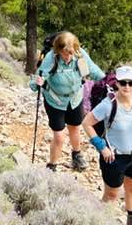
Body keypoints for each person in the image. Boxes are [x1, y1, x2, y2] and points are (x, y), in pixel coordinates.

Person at [81, 64, 132, 225]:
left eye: (131, 83)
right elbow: (87, 123)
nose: (127, 86)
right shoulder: (108, 104)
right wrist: (101, 146)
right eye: (123, 82)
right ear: (117, 83)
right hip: (114, 156)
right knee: (112, 194)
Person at [31, 31, 104, 172]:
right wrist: (37, 83)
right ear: (58, 50)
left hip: (75, 99)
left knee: (75, 127)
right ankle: (52, 165)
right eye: (65, 53)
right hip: (55, 101)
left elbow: (93, 70)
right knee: (59, 136)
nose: (68, 57)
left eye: (71, 53)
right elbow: (38, 78)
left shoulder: (79, 55)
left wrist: (109, 82)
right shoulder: (51, 59)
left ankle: (77, 155)